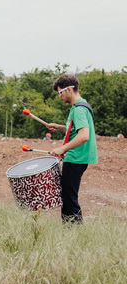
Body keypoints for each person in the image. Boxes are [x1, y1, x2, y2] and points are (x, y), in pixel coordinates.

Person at [47, 74, 97, 224]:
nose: (60, 96)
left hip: (76, 157)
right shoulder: (81, 105)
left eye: (60, 92)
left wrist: (62, 148)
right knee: (67, 195)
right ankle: (70, 229)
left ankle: (74, 230)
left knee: (69, 198)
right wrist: (60, 127)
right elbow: (76, 130)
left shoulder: (79, 109)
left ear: (69, 90)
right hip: (77, 157)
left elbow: (84, 136)